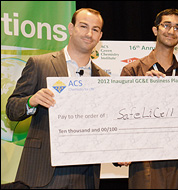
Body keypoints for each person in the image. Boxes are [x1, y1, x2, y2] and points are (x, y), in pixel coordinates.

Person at [6, 8, 109, 189]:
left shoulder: (103, 78)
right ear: (71, 28)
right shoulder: (40, 64)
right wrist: (32, 101)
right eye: (83, 26)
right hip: (43, 169)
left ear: (100, 36)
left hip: (85, 175)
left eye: (95, 29)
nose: (89, 33)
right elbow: (12, 109)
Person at [118, 8, 178, 189]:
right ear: (155, 30)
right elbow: (120, 116)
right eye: (166, 25)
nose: (171, 31)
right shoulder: (133, 71)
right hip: (145, 160)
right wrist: (142, 90)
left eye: (177, 28)